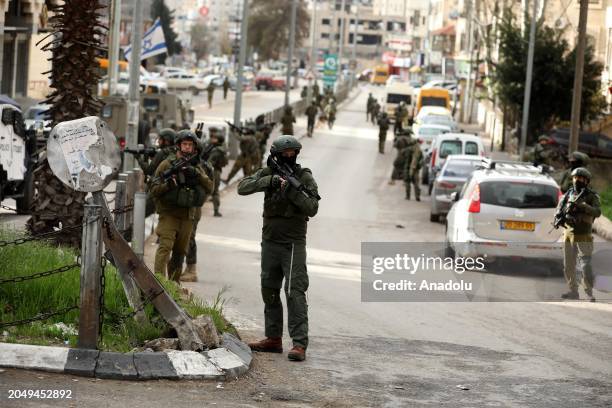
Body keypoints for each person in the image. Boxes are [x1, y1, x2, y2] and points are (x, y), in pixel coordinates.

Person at [238, 135, 320, 362]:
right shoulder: (268, 174)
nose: (289, 157)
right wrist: (270, 182)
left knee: (294, 292)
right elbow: (242, 187)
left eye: (292, 153)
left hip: (292, 244)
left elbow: (312, 207)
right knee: (269, 289)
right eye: (285, 154)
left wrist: (292, 190)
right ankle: (273, 338)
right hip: (270, 241)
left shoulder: (304, 177)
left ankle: (299, 344)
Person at [148, 130, 213, 282]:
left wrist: (196, 174)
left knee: (180, 252)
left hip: (187, 216)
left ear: (194, 147)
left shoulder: (197, 166)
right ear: (178, 145)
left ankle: (173, 285)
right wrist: (168, 185)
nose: (187, 148)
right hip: (169, 214)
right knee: (165, 247)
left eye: (190, 145)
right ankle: (159, 283)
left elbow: (210, 187)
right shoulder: (166, 164)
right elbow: (154, 189)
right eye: (184, 144)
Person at [555, 167, 601, 301]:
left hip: (584, 234)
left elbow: (597, 212)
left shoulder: (592, 196)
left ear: (586, 181)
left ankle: (589, 292)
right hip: (568, 232)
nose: (577, 180)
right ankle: (573, 291)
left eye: (580, 178)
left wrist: (583, 206)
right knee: (568, 265)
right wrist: (558, 215)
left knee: (586, 264)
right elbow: (560, 207)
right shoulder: (568, 194)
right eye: (575, 178)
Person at [208, 127, 229, 217]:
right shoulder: (220, 149)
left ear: (218, 140)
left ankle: (216, 210)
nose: (212, 139)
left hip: (213, 171)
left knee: (214, 191)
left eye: (214, 138)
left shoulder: (216, 151)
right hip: (217, 171)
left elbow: (209, 162)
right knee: (214, 190)